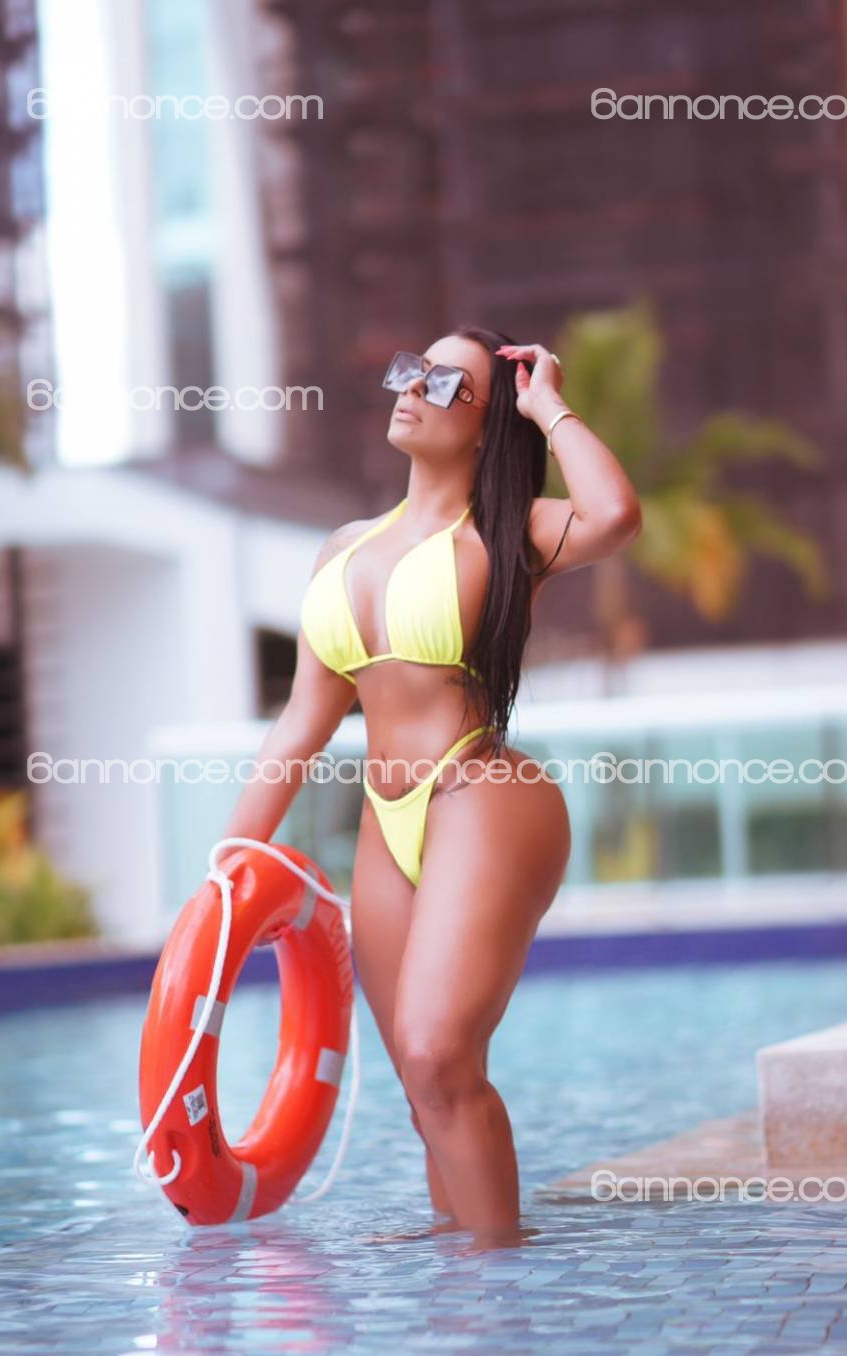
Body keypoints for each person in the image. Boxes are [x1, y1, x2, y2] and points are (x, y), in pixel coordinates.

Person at [224, 325, 641, 1240]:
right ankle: (467, 1260)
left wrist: (548, 406)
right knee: (425, 1087)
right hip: (388, 821)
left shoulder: (510, 531)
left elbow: (614, 515)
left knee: (436, 1052)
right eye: (411, 372)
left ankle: (504, 1274)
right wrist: (227, 872)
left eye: (447, 384)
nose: (413, 389)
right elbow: (301, 723)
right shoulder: (343, 549)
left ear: (489, 423)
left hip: (480, 796)